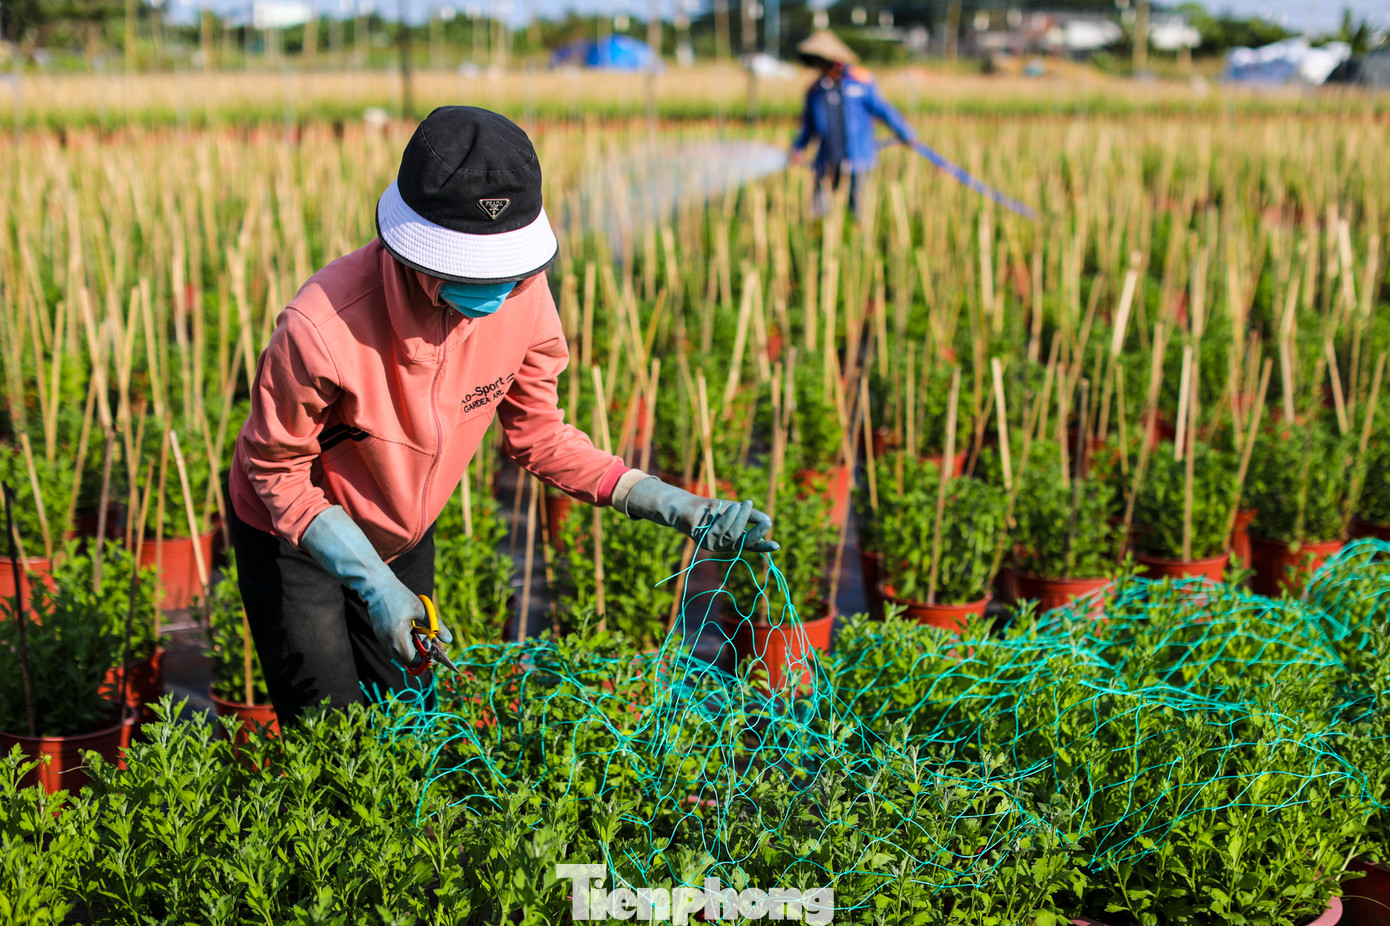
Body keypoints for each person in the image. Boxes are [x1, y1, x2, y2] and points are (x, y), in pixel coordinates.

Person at [229, 106, 778, 726]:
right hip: (294, 537)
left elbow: (539, 435)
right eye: (471, 269)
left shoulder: (526, 297)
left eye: (509, 271)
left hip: (405, 527)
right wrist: (371, 582)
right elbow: (275, 471)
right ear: (417, 245)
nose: (498, 289)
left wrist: (682, 508)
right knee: (326, 726)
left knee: (409, 713)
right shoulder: (321, 328)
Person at [789, 30, 917, 215]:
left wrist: (906, 133)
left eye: (823, 63)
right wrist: (798, 147)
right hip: (827, 157)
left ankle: (856, 233)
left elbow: (883, 110)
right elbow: (808, 125)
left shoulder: (861, 83)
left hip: (858, 154)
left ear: (835, 62)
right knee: (819, 205)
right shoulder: (815, 91)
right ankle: (819, 233)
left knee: (857, 203)